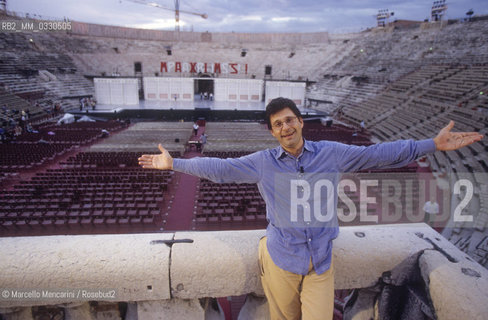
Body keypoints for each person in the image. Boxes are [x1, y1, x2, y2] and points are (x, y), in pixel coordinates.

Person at [138, 97, 483, 320]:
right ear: (273, 132)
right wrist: (175, 165)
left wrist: (432, 144)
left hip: (320, 262)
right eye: (278, 124)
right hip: (281, 259)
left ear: (301, 122)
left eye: (289, 120)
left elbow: (379, 155)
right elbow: (221, 169)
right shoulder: (262, 162)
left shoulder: (332, 152)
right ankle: (265, 246)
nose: (285, 127)